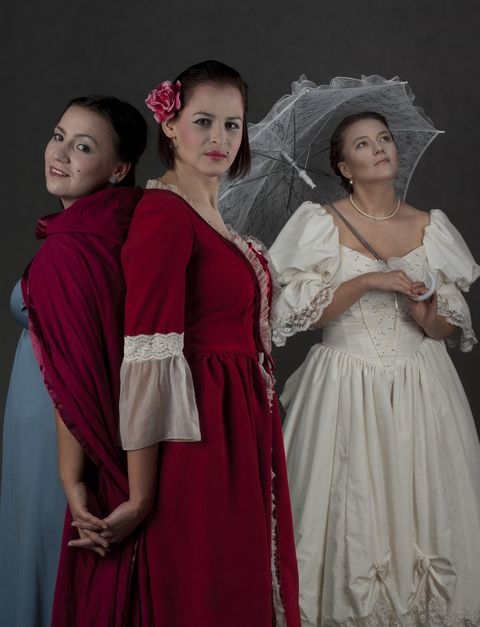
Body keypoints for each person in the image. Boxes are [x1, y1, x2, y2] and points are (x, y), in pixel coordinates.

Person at [66, 59, 300, 627]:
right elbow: (147, 355)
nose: (220, 138)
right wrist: (142, 495)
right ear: (170, 125)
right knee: (208, 592)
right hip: (197, 433)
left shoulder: (215, 219)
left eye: (232, 125)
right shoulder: (165, 216)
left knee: (241, 583)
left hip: (239, 425)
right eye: (203, 121)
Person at [269, 111, 480, 625]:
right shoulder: (322, 224)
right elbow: (303, 315)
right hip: (346, 380)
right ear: (345, 167)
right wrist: (367, 281)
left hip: (422, 382)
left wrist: (427, 315)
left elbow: (446, 328)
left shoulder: (430, 225)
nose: (379, 148)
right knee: (353, 502)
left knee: (428, 500)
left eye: (384, 138)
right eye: (363, 144)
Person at [0, 94, 146, 627]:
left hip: (56, 432)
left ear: (119, 168)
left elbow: (73, 371)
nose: (59, 153)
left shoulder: (77, 247)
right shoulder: (108, 230)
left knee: (44, 562)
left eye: (83, 147)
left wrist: (71, 471)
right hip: (40, 424)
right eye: (59, 136)